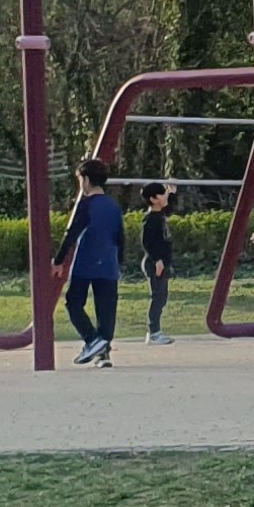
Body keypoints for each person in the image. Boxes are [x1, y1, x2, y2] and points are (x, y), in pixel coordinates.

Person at [53, 155, 126, 364]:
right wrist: (118, 262)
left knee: (73, 303)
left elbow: (71, 234)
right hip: (109, 264)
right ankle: (103, 354)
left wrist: (58, 262)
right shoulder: (113, 206)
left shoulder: (86, 206)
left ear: (85, 180)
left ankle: (92, 340)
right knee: (106, 310)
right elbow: (121, 237)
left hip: (85, 263)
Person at [141, 178, 176, 343]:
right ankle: (153, 332)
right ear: (154, 199)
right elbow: (147, 242)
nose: (165, 197)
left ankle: (155, 331)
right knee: (158, 297)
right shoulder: (151, 219)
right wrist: (157, 261)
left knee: (162, 297)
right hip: (155, 263)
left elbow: (169, 207)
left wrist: (171, 192)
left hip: (162, 262)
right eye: (162, 194)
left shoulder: (160, 214)